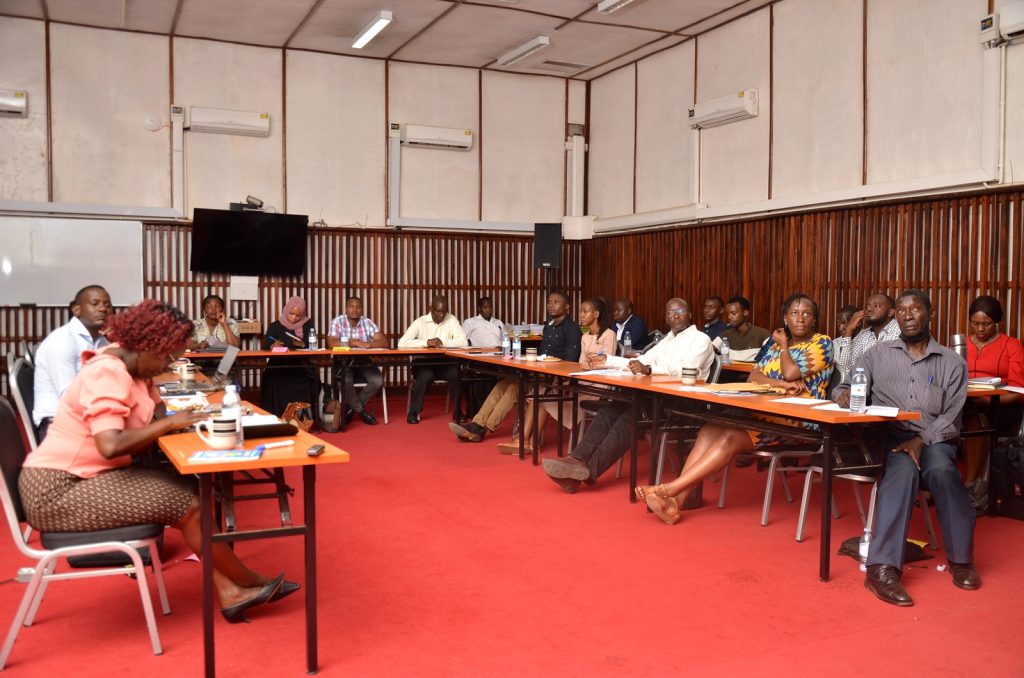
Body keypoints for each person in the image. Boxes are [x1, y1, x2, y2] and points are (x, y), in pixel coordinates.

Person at [18, 300, 297, 622]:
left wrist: (189, 415)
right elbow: (109, 445)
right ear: (146, 344)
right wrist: (169, 424)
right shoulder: (109, 371)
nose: (169, 363)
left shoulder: (133, 366)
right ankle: (247, 581)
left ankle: (232, 591)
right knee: (189, 503)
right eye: (166, 356)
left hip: (85, 476)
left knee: (191, 491)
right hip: (58, 489)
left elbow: (156, 411)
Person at [832, 290, 978, 606]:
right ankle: (881, 569)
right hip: (892, 438)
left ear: (931, 312)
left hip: (934, 438)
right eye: (901, 310)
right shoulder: (877, 355)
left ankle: (961, 559)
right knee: (901, 472)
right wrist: (842, 394)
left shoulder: (952, 363)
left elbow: (952, 416)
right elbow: (845, 385)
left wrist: (922, 440)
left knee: (941, 469)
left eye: (915, 309)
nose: (907, 315)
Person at [634, 293, 834, 523]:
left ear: (814, 319)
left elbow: (791, 372)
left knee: (729, 437)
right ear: (785, 318)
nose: (801, 319)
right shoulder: (776, 344)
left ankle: (668, 489)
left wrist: (785, 347)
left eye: (807, 314)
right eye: (795, 313)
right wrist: (780, 383)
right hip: (765, 413)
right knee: (709, 429)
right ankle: (677, 502)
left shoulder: (822, 343)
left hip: (799, 422)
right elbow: (753, 376)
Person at [541, 298, 714, 492]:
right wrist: (608, 360)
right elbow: (641, 360)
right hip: (655, 395)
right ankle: (576, 459)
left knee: (630, 418)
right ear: (665, 318)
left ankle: (586, 472)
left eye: (680, 311)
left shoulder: (701, 339)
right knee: (610, 410)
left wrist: (649, 369)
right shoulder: (668, 340)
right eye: (670, 313)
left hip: (682, 403)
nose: (675, 316)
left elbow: (686, 369)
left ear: (689, 314)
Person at [494, 296, 607, 454]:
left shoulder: (608, 335)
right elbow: (582, 363)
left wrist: (590, 364)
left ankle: (526, 441)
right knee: (539, 392)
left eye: (584, 312)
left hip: (593, 387)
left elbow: (607, 363)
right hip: (577, 380)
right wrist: (588, 364)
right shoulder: (585, 336)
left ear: (596, 314)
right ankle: (527, 442)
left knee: (540, 393)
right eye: (581, 311)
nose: (581, 315)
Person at [33, 285, 112, 441]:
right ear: (77, 310)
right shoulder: (62, 341)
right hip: (58, 424)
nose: (103, 309)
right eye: (95, 304)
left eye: (107, 305)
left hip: (87, 415)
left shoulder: (101, 341)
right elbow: (68, 399)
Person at [961, 295, 1023, 492]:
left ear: (997, 322)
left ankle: (969, 484)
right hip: (962, 403)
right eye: (975, 323)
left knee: (976, 420)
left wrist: (988, 401)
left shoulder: (1011, 345)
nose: (980, 329)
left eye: (986, 324)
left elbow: (1019, 391)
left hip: (1001, 406)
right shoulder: (960, 345)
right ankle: (929, 485)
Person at [397, 295, 468, 424]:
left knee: (457, 373)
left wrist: (442, 342)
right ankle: (414, 411)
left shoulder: (451, 320)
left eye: (444, 311)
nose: (441, 315)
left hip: (445, 362)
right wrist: (427, 342)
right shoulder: (420, 321)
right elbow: (402, 343)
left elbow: (463, 342)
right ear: (431, 309)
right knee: (425, 376)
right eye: (438, 311)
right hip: (424, 362)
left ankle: (457, 411)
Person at [327, 296, 388, 427]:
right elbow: (331, 342)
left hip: (363, 361)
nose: (355, 310)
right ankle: (361, 412)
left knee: (377, 380)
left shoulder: (367, 322)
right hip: (344, 361)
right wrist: (353, 342)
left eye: (358, 307)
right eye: (351, 306)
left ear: (362, 309)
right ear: (346, 309)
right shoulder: (338, 321)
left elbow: (384, 341)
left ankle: (350, 409)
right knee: (346, 381)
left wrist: (367, 344)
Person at [260, 296, 317, 417]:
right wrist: (272, 346)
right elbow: (265, 346)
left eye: (298, 315)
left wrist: (302, 344)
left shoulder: (307, 325)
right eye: (291, 314)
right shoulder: (275, 325)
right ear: (286, 310)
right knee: (273, 380)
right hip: (278, 365)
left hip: (300, 365)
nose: (294, 318)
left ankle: (302, 416)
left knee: (311, 378)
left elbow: (313, 346)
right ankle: (276, 415)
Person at [461, 296, 505, 416]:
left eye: (490, 307)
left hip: (500, 357)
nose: (488, 310)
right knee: (483, 373)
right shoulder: (470, 322)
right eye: (485, 307)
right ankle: (480, 408)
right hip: (481, 357)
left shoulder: (498, 323)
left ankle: (498, 406)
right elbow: (462, 341)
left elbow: (505, 340)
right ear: (479, 309)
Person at [836, 293, 899, 376]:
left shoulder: (900, 331)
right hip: (865, 385)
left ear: (890, 312)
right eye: (867, 307)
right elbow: (844, 366)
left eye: (876, 306)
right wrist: (849, 329)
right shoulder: (864, 335)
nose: (869, 309)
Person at [831, 304, 859, 380]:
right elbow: (840, 369)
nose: (840, 328)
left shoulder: (866, 339)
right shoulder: (835, 342)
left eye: (844, 323)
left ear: (858, 322)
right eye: (838, 323)